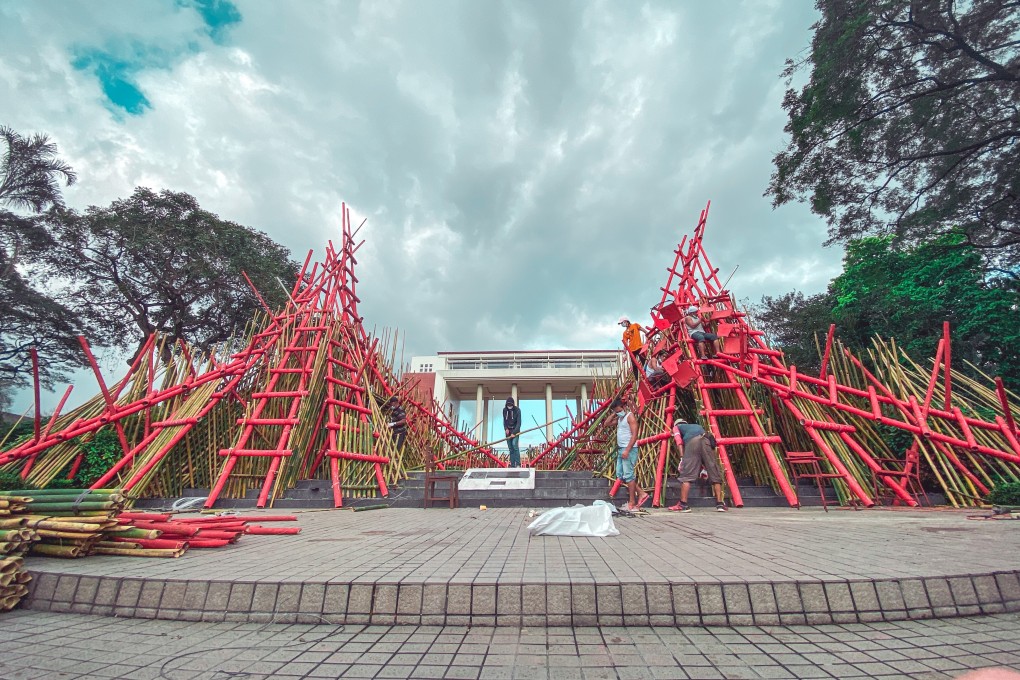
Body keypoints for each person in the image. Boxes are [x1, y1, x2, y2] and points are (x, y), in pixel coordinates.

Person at [668, 418, 726, 512]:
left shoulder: (676, 427)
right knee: (714, 471)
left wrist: (682, 458)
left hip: (692, 442)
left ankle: (683, 505)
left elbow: (679, 441)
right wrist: (704, 468)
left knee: (687, 475)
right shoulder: (696, 426)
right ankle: (720, 504)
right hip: (705, 440)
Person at [612, 398, 649, 511]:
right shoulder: (619, 418)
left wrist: (627, 450)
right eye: (616, 411)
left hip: (629, 449)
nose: (618, 412)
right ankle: (642, 493)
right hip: (621, 449)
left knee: (628, 475)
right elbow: (606, 424)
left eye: (618, 410)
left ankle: (632, 503)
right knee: (621, 475)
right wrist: (614, 413)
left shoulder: (630, 416)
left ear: (623, 407)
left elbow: (634, 435)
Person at [503, 397, 522, 467]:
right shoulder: (504, 410)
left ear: (513, 405)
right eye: (508, 405)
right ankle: (512, 465)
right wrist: (506, 429)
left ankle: (518, 464)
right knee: (511, 448)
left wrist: (514, 433)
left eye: (511, 405)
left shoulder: (517, 410)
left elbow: (519, 424)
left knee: (514, 445)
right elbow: (504, 421)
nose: (509, 406)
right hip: (508, 431)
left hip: (515, 430)